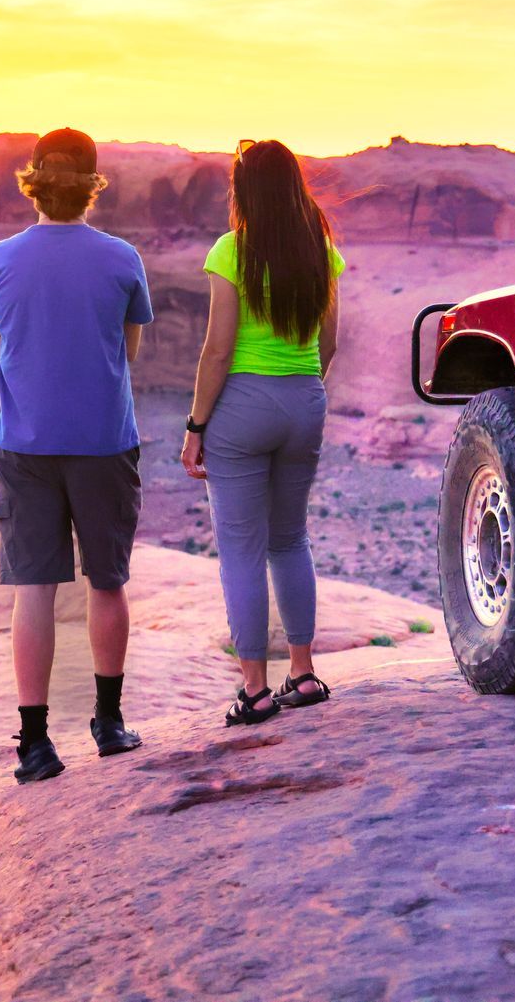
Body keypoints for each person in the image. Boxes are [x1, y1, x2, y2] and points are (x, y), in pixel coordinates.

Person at [0, 127, 154, 782]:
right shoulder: (123, 257)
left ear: (35, 182)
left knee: (35, 591)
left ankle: (36, 743)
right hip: (104, 442)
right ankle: (107, 725)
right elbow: (128, 352)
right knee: (107, 580)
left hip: (25, 445)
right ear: (91, 186)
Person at [181, 139, 343, 726]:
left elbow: (217, 349)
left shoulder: (232, 251)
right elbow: (329, 343)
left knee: (242, 551)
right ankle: (303, 674)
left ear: (244, 192)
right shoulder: (320, 250)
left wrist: (197, 423)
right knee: (290, 538)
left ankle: (254, 690)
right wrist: (301, 389)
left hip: (242, 408)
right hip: (306, 400)